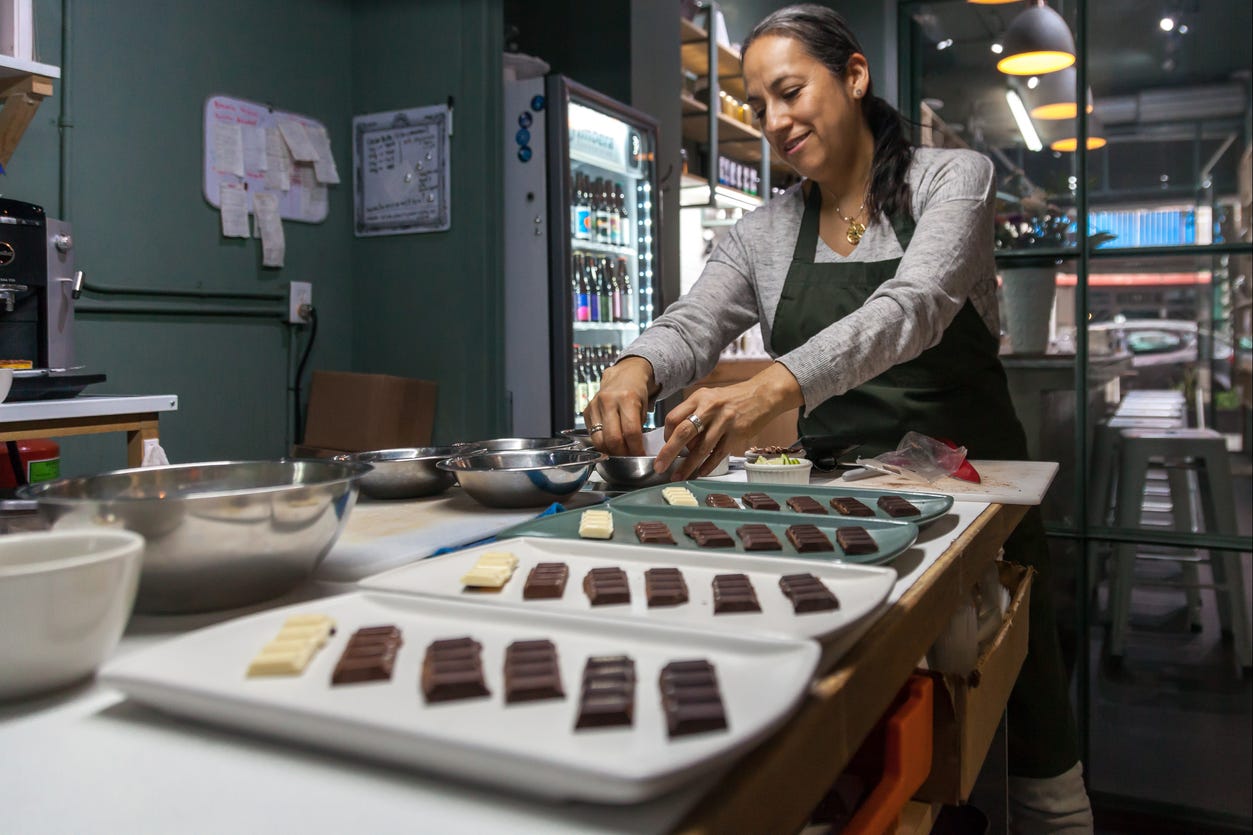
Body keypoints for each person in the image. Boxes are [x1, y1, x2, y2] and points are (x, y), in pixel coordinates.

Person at [583, 5, 1093, 832]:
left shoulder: (948, 178)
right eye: (757, 107)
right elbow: (692, 322)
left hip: (971, 494)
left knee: (1035, 744)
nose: (775, 121)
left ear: (852, 76)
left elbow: (915, 304)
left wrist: (775, 384)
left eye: (790, 91)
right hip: (842, 507)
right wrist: (636, 364)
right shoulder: (763, 232)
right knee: (851, 720)